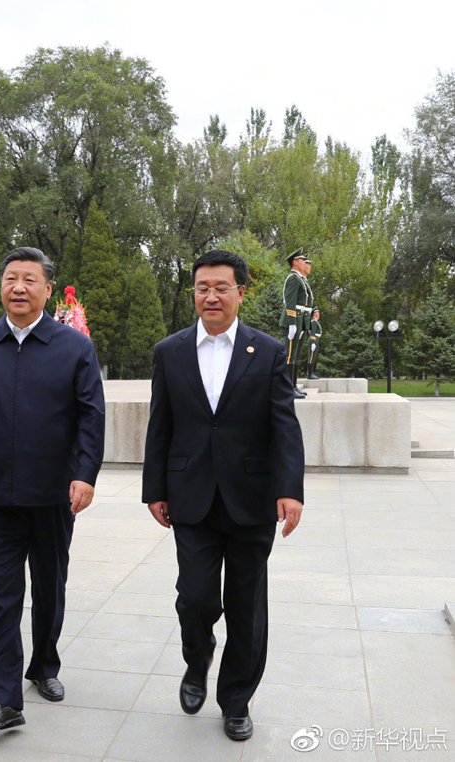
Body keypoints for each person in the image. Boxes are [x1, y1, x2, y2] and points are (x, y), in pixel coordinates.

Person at [143, 249, 304, 742]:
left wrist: (290, 490)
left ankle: (236, 700)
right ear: (193, 292)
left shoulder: (268, 351)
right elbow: (160, 425)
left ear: (240, 292)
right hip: (190, 497)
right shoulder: (169, 351)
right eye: (202, 288)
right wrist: (154, 489)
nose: (210, 296)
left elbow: (284, 426)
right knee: (194, 599)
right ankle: (197, 661)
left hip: (251, 499)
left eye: (221, 287)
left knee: (246, 606)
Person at [0, 247, 105, 733]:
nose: (18, 287)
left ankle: (44, 665)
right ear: (0, 286)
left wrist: (84, 474)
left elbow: (91, 417)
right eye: (10, 278)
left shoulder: (74, 347)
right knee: (0, 598)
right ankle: (1, 700)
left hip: (53, 495)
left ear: (47, 289)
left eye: (29, 279)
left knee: (49, 587)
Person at [278, 248, 311, 398]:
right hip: (293, 319)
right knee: (289, 355)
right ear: (295, 262)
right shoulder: (293, 278)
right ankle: (286, 388)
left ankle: (293, 385)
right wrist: (292, 323)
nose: (304, 263)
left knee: (295, 356)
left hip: (299, 319)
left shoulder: (299, 279)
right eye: (302, 260)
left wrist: (302, 324)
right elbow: (289, 303)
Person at [307, 308, 322, 379]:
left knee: (313, 357)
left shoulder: (315, 321)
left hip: (316, 339)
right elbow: (312, 332)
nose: (318, 314)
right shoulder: (313, 322)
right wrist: (313, 342)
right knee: (311, 357)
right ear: (314, 314)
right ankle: (310, 374)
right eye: (317, 313)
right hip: (314, 339)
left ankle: (312, 373)